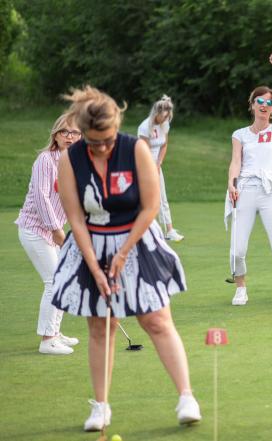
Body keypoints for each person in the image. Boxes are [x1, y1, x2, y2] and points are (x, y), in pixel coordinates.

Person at [50, 86, 201, 431]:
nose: (102, 147)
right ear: (83, 133)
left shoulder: (136, 149)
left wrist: (123, 253)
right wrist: (94, 265)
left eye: (107, 139)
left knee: (157, 320)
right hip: (92, 243)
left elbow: (150, 207)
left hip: (136, 239)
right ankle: (101, 406)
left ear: (116, 126)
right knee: (100, 326)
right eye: (94, 142)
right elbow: (76, 219)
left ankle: (186, 397)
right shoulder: (70, 159)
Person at [224, 54, 272, 306]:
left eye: (269, 103)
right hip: (244, 190)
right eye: (260, 101)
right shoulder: (240, 134)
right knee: (237, 250)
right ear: (252, 105)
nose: (265, 105)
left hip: (269, 192)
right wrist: (231, 184)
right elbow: (236, 161)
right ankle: (241, 289)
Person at [15, 113, 81, 355]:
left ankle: (55, 331)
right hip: (35, 229)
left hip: (54, 229)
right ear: (56, 135)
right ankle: (47, 340)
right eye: (65, 132)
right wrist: (56, 231)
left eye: (75, 133)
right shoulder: (46, 160)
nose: (70, 137)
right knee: (55, 280)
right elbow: (42, 198)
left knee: (62, 279)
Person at [138, 95, 184, 241]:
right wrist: (151, 167)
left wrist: (158, 163)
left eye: (167, 117)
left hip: (156, 165)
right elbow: (141, 150)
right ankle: (145, 230)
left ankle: (169, 230)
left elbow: (164, 144)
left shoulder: (164, 125)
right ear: (156, 113)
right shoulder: (145, 127)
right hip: (143, 166)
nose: (165, 119)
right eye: (163, 117)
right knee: (145, 199)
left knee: (161, 197)